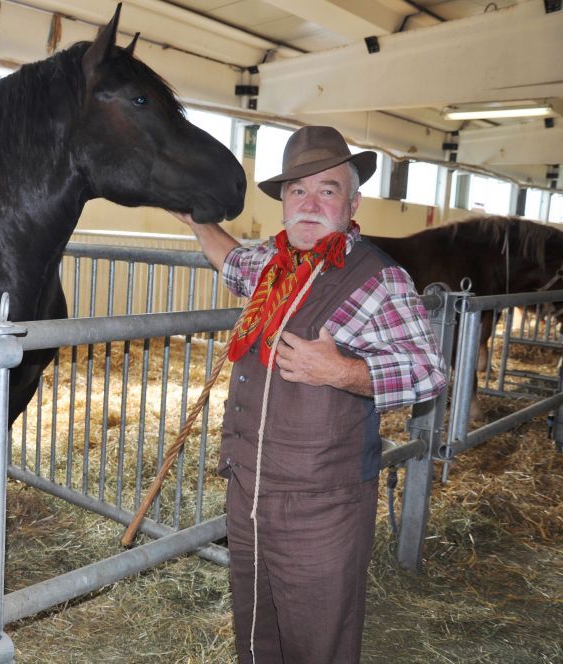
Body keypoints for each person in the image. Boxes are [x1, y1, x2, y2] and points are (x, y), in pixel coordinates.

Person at [172, 125, 447, 663]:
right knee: (256, 632)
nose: (311, 202)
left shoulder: (380, 279)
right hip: (249, 493)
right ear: (282, 204)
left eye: (328, 189)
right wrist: (198, 221)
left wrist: (343, 371)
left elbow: (430, 373)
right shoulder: (271, 267)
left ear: (353, 202)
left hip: (322, 505)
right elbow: (230, 259)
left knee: (318, 641)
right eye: (298, 190)